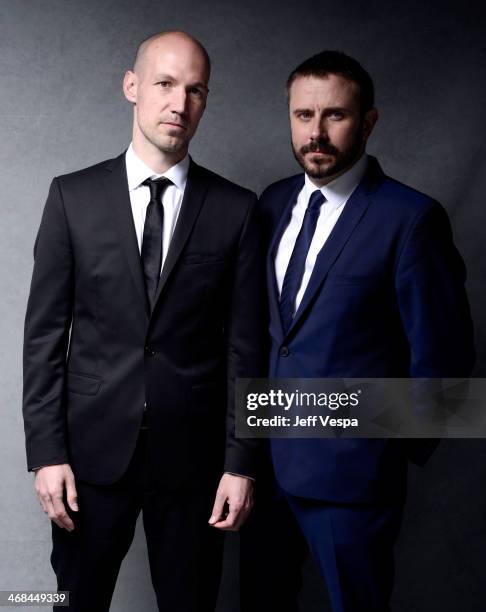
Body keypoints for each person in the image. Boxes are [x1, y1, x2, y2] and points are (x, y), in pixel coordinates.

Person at [23, 30, 265, 612]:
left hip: (196, 467)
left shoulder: (236, 209)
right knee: (75, 602)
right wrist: (46, 453)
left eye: (196, 90)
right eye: (164, 84)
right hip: (89, 459)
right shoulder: (71, 198)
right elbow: (44, 341)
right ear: (132, 86)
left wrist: (241, 464)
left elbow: (246, 348)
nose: (179, 104)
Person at [240, 50, 475, 612]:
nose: (315, 133)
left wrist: (382, 451)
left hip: (353, 482)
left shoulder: (411, 218)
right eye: (302, 116)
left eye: (335, 116)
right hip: (261, 474)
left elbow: (445, 356)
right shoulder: (271, 203)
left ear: (368, 121)